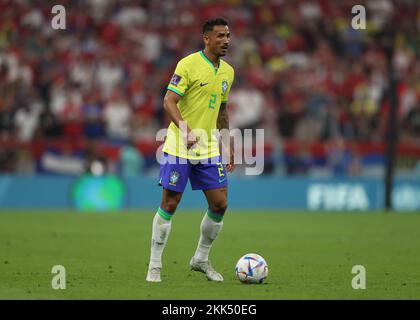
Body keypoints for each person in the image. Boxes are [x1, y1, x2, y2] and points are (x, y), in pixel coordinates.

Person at [146, 18, 235, 282]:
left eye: (228, 35)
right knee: (171, 203)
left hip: (208, 149)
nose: (226, 40)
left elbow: (222, 111)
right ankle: (154, 265)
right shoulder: (188, 64)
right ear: (206, 38)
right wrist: (184, 129)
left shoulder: (228, 72)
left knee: (220, 204)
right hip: (179, 145)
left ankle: (200, 259)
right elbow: (168, 100)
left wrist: (227, 145)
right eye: (220, 36)